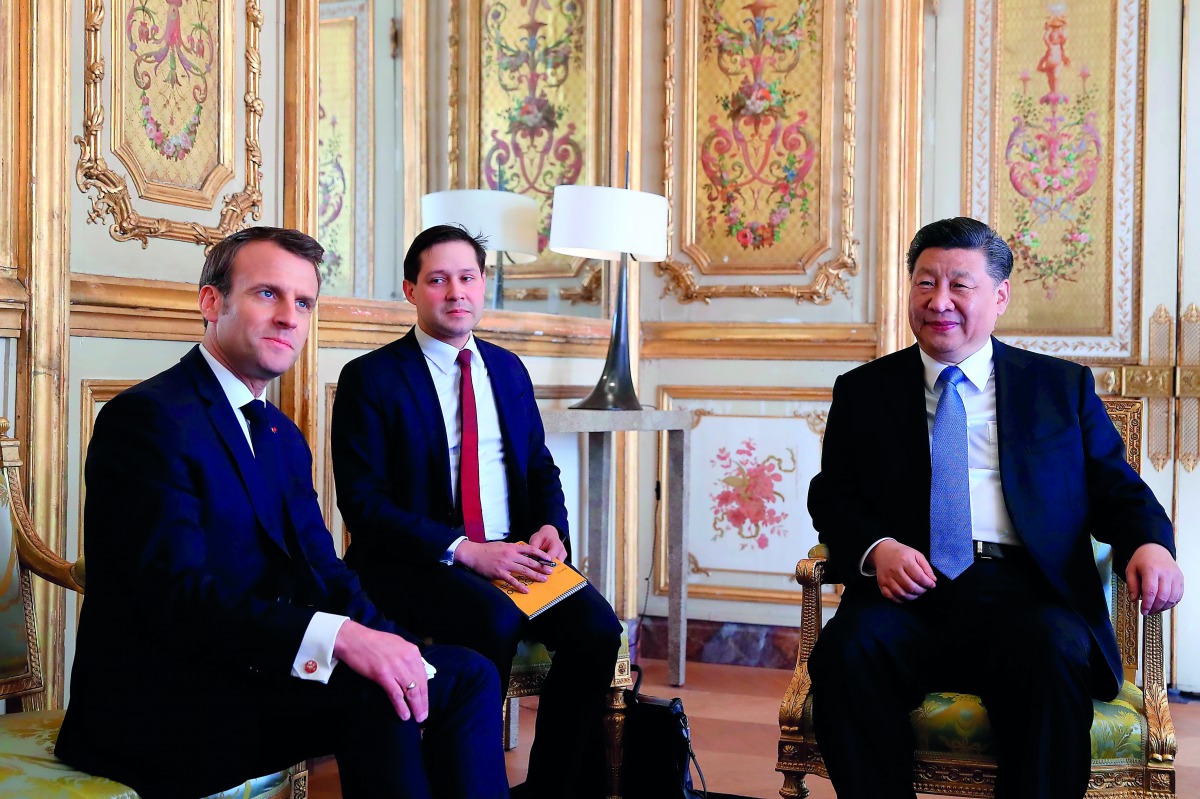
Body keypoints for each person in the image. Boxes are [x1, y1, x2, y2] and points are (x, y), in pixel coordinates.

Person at [56, 227, 508, 799]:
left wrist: (395, 646)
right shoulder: (147, 420)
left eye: (303, 302)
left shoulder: (281, 435)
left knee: (465, 674)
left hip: (255, 674)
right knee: (377, 696)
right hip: (164, 705)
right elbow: (176, 597)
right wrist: (342, 638)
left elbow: (326, 570)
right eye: (267, 294)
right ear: (212, 301)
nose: (289, 317)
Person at [806, 216, 1184, 799]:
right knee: (845, 653)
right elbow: (833, 495)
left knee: (1053, 650)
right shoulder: (864, 390)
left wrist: (1151, 545)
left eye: (960, 285)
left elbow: (1117, 489)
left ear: (1000, 296)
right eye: (925, 283)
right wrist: (877, 549)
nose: (940, 302)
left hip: (1026, 591)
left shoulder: (1059, 388)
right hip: (911, 591)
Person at [330, 224, 623, 799]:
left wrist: (549, 528)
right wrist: (464, 550)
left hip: (512, 555)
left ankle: (550, 788)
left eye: (467, 278)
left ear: (483, 284)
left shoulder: (507, 369)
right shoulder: (371, 378)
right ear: (412, 290)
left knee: (597, 630)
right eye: (438, 280)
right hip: (418, 562)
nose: (455, 292)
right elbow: (363, 505)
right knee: (492, 620)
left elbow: (539, 467)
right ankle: (468, 785)